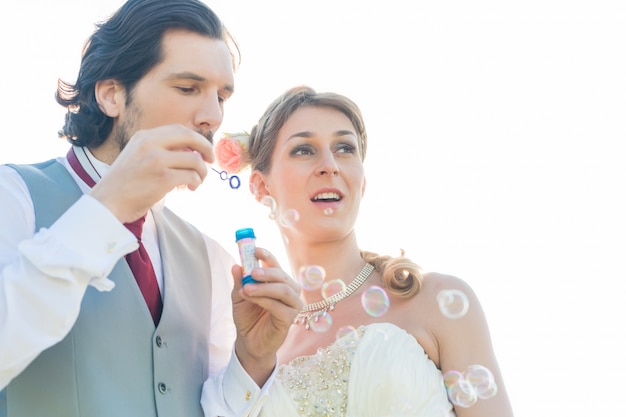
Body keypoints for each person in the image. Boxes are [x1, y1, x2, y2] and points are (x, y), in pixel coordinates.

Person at [0, 1, 301, 416]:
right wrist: (108, 209)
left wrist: (251, 360)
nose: (212, 116)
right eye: (187, 88)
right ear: (111, 95)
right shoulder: (13, 196)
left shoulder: (211, 258)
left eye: (221, 96)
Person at [208, 85, 515, 416]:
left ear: (362, 181)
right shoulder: (254, 345)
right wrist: (253, 356)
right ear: (260, 186)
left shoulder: (435, 301)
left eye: (344, 148)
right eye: (304, 150)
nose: (329, 165)